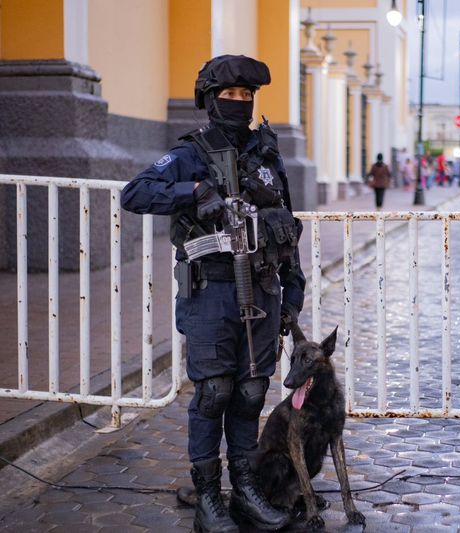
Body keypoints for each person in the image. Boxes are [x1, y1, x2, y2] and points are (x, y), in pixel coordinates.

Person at [121, 55, 304, 532]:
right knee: (213, 393)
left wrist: (294, 290)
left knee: (249, 393)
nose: (240, 104)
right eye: (231, 96)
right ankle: (208, 499)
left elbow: (286, 223)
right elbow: (135, 193)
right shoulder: (191, 153)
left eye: (248, 96)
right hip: (211, 293)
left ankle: (244, 491)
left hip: (262, 290)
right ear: (209, 99)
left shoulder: (267, 155)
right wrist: (194, 190)